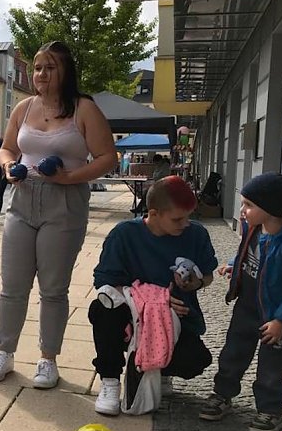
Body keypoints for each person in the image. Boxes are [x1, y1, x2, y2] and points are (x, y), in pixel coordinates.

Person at [0, 40, 117, 387]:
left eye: (49, 67)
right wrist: (9, 165)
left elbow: (107, 157)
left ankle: (47, 359)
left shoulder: (83, 108)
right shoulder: (24, 107)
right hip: (23, 199)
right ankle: (4, 353)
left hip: (65, 202)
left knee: (53, 289)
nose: (41, 73)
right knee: (12, 285)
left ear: (66, 71)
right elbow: (8, 148)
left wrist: (69, 177)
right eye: (37, 67)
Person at [200, 173, 282, 431]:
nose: (242, 211)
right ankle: (222, 395)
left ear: (271, 209)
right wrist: (235, 266)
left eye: (248, 205)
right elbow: (249, 254)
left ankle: (270, 410)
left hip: (277, 318)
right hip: (247, 308)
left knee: (272, 367)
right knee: (232, 354)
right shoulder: (254, 230)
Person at [90, 176, 217, 415]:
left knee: (196, 360)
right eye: (178, 218)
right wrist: (155, 300)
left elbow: (208, 275)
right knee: (102, 309)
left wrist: (194, 283)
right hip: (131, 315)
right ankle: (109, 381)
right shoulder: (124, 235)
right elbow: (104, 284)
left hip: (176, 319)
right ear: (154, 213)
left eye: (189, 216)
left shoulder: (196, 234)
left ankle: (160, 369)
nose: (186, 224)